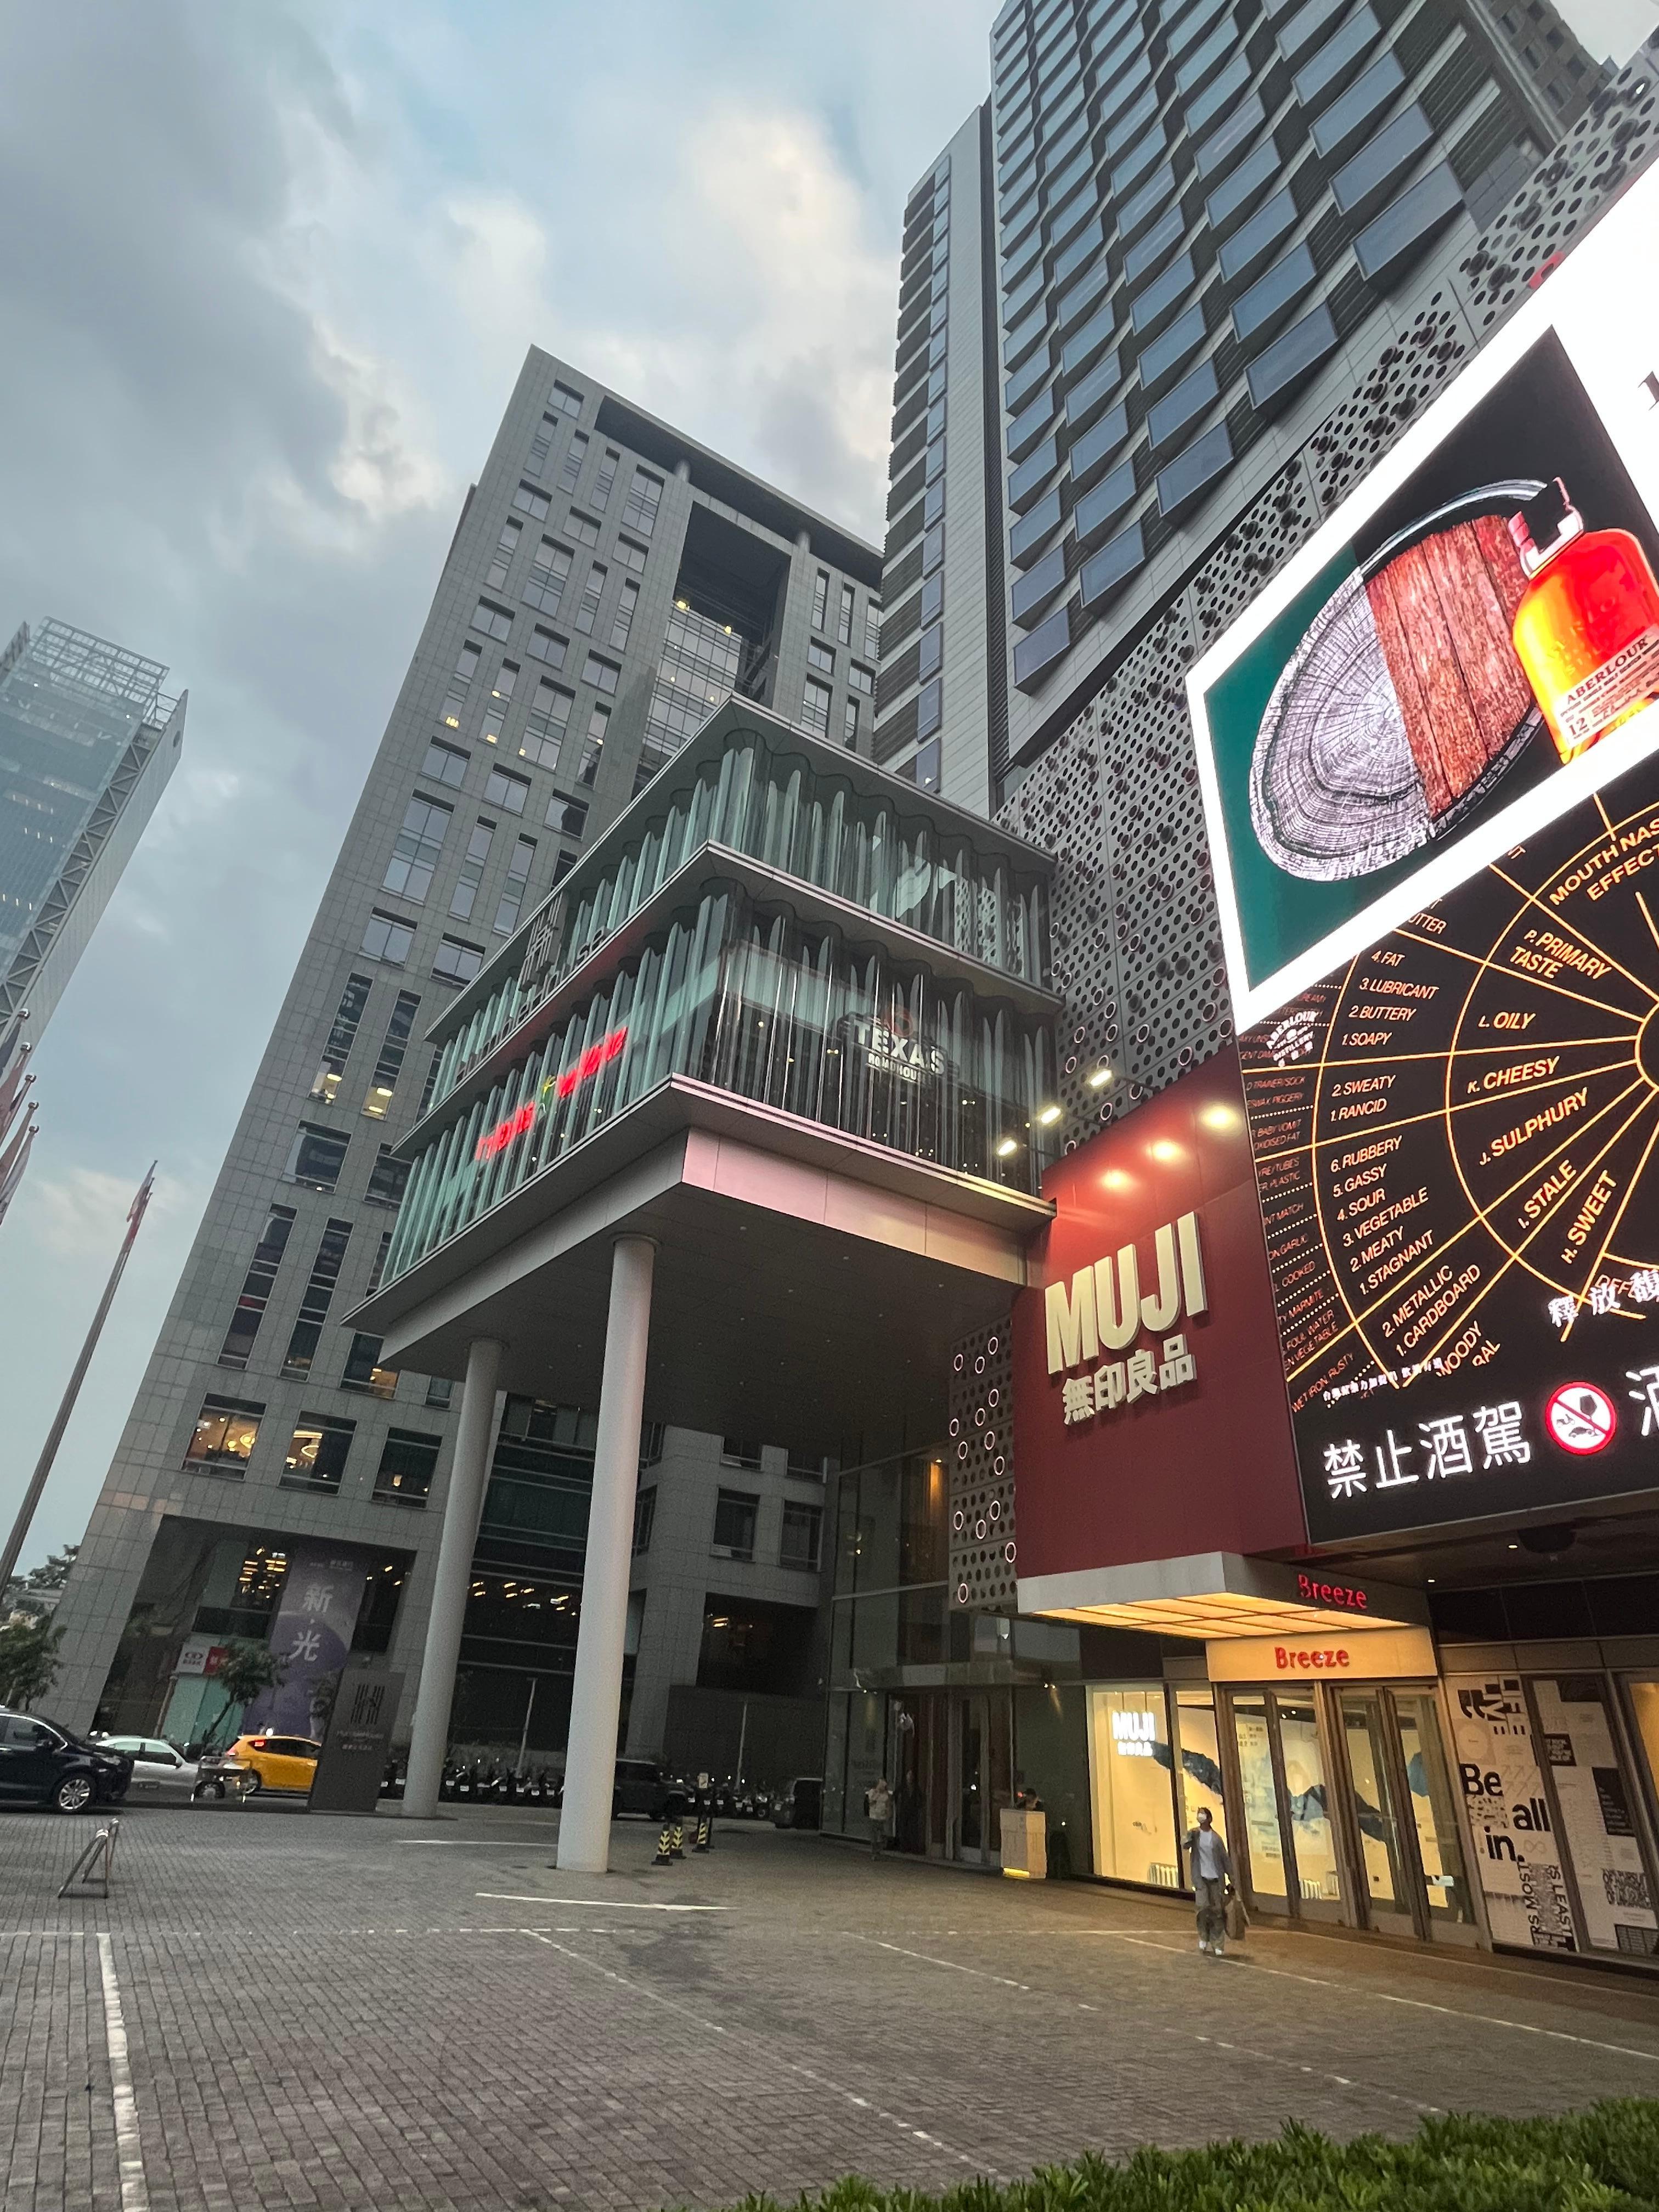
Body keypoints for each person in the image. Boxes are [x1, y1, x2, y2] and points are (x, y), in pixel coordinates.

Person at [1184, 1805, 1233, 1954]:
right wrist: (1189, 1836)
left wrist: (1232, 1877)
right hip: (1201, 1879)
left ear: (1210, 1819)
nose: (1201, 1817)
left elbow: (1224, 1859)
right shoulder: (1195, 1835)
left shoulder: (1216, 1839)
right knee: (1202, 1909)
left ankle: (1218, 1943)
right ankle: (1203, 1937)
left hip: (1216, 1880)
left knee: (1217, 1912)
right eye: (1199, 1814)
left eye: (1203, 1815)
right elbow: (1185, 1845)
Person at [865, 1774, 892, 1859]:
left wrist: (889, 1815)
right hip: (874, 1817)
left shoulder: (886, 1795)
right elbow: (871, 1803)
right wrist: (877, 1793)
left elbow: (888, 1805)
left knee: (883, 1836)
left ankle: (879, 1850)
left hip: (883, 1817)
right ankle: (874, 1853)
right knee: (874, 1836)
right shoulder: (872, 1792)